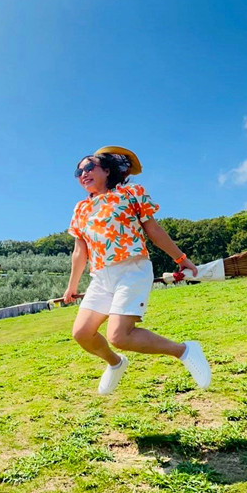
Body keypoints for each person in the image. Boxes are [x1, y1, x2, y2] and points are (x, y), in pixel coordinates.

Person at [62, 146, 212, 395]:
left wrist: (180, 258)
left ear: (107, 170)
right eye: (78, 171)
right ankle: (116, 363)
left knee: (120, 336)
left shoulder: (131, 193)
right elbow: (80, 251)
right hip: (100, 276)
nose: (83, 173)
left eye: (89, 167)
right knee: (81, 333)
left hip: (132, 269)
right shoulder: (81, 209)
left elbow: (153, 230)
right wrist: (72, 285)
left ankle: (184, 350)